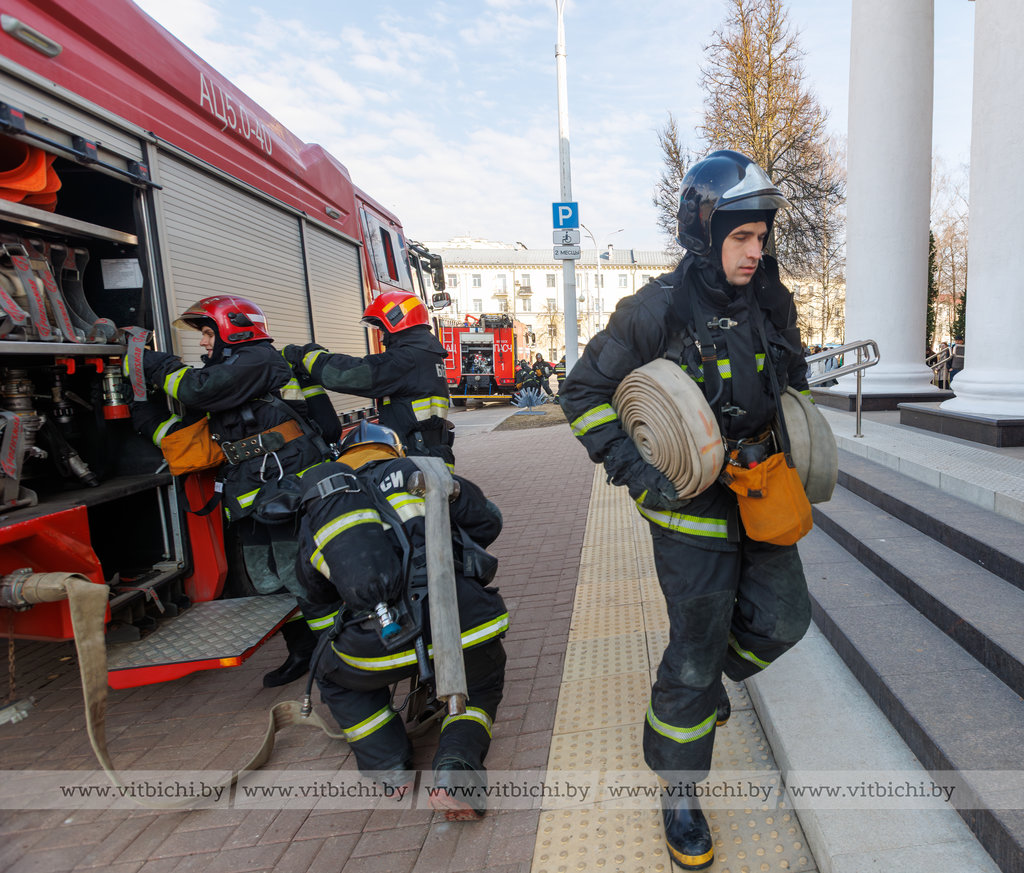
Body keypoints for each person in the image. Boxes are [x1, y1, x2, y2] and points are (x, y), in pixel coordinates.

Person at [559, 150, 812, 871]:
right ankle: (680, 791)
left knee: (786, 620)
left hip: (760, 493)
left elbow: (790, 375)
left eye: (761, 236)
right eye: (743, 237)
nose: (755, 250)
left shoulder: (773, 299)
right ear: (705, 232)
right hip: (689, 512)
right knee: (694, 655)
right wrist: (638, 473)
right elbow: (581, 395)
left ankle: (704, 681)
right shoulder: (655, 309)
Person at [258, 422, 507, 820]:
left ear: (342, 457)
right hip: (465, 624)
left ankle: (389, 767)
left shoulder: (325, 501)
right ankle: (456, 772)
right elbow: (488, 522)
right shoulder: (423, 469)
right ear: (394, 449)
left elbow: (313, 589)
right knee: (480, 684)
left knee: (335, 679)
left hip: (378, 641)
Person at [130, 295, 328, 688]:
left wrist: (148, 361)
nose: (203, 343)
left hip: (285, 480)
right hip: (250, 482)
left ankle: (331, 648)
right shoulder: (229, 369)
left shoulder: (258, 359)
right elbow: (192, 423)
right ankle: (302, 649)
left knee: (298, 571)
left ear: (233, 329)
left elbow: (196, 390)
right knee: (264, 575)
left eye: (208, 333)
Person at [283, 291, 454, 465]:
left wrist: (303, 356)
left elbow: (350, 374)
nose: (381, 337)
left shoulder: (407, 359)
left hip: (416, 458)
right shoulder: (426, 354)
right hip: (430, 455)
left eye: (382, 329)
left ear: (397, 320)